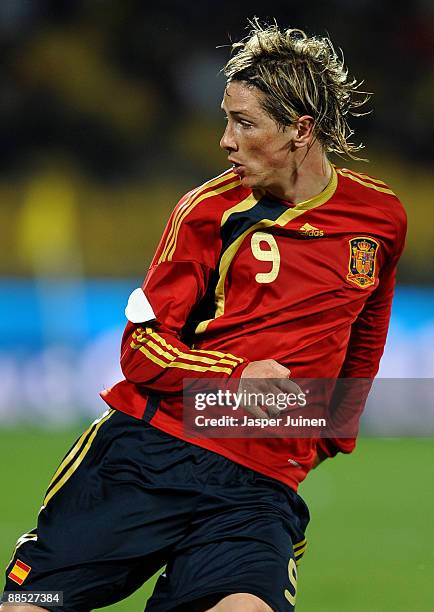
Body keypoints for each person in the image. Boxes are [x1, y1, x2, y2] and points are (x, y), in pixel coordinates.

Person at [2, 20, 406, 612]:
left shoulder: (380, 217)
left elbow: (367, 325)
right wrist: (235, 376)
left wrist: (334, 427)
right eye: (226, 119)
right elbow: (138, 349)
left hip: (258, 487)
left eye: (244, 123)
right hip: (153, 453)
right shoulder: (206, 213)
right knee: (31, 605)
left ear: (300, 130)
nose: (225, 140)